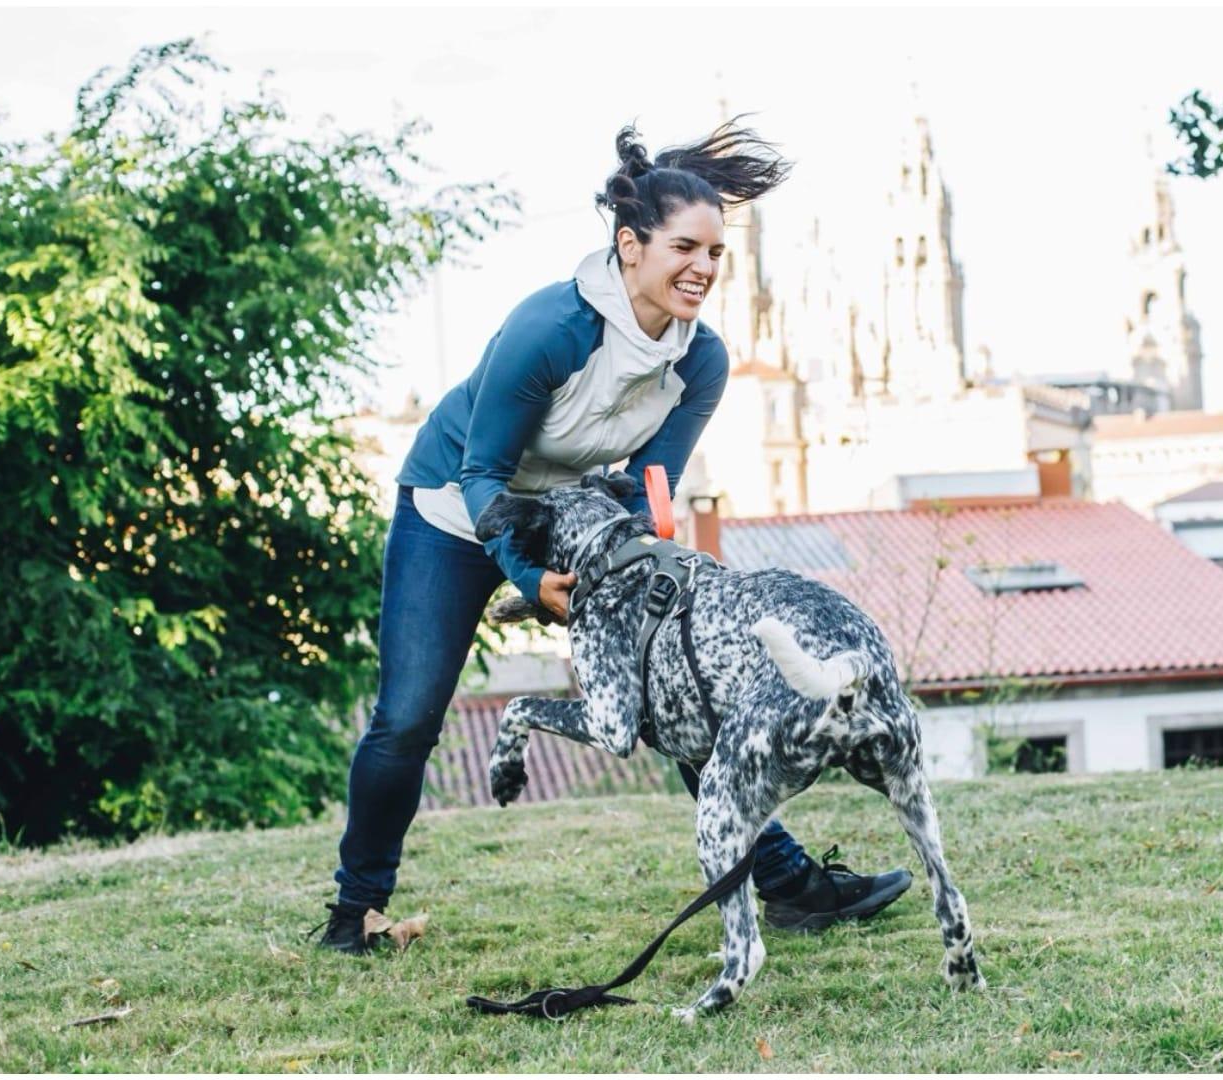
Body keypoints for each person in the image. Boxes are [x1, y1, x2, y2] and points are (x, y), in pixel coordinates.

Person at [313, 121, 912, 954]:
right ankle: (354, 913)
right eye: (683, 248)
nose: (703, 269)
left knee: (682, 683)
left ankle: (788, 885)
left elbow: (645, 485)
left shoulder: (699, 361)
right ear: (630, 246)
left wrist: (662, 576)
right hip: (454, 511)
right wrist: (527, 576)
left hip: (577, 522)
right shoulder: (553, 328)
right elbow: (485, 474)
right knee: (409, 718)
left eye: (715, 253)